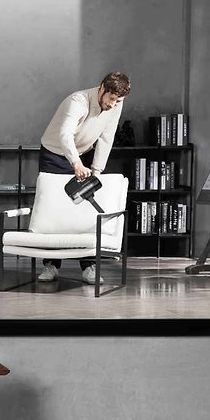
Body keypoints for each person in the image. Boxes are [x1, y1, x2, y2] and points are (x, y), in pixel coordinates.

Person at [37, 71, 130, 285]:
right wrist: (76, 164)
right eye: (112, 99)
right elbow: (64, 135)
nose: (114, 105)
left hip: (84, 153)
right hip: (55, 153)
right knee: (55, 210)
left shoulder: (116, 104)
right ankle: (51, 265)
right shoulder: (77, 101)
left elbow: (107, 138)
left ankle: (89, 266)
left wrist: (96, 172)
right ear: (102, 89)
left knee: (86, 209)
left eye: (119, 101)